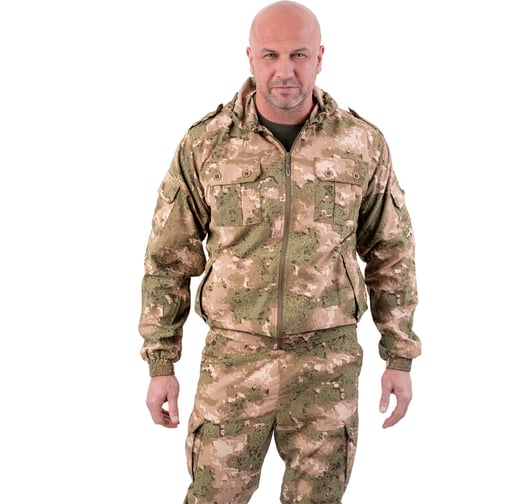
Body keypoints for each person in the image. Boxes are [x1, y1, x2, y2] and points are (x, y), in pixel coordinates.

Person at [138, 2, 421, 503]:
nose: (284, 70)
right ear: (250, 57)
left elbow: (390, 252)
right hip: (233, 363)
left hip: (327, 366)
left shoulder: (361, 143)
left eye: (299, 55)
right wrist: (161, 362)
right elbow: (168, 257)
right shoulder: (207, 144)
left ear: (320, 58)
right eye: (270, 55)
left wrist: (399, 355)